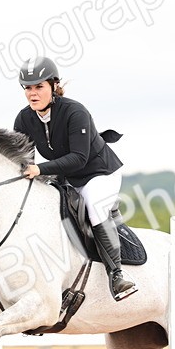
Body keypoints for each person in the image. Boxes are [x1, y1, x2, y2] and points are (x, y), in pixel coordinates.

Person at [14, 56, 137, 301]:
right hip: (64, 176)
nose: (33, 93)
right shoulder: (24, 119)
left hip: (99, 173)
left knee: (94, 207)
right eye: (28, 88)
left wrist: (40, 169)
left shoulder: (74, 111)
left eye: (39, 87)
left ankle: (117, 275)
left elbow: (79, 158)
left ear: (53, 86)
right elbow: (22, 160)